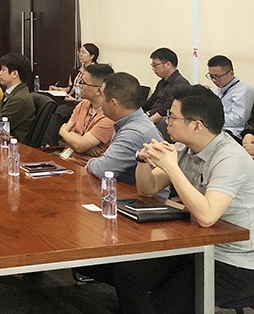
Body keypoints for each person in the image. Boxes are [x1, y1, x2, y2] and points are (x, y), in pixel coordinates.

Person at [92, 86, 254, 313]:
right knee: (128, 273)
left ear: (196, 126)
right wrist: (142, 160)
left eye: (173, 117)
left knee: (164, 302)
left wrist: (171, 166)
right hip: (196, 245)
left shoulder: (230, 158)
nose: (166, 122)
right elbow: (148, 190)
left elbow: (207, 216)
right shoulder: (184, 148)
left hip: (234, 261)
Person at [85, 72, 168, 196]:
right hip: (127, 192)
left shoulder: (134, 132)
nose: (100, 102)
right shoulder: (132, 120)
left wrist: (90, 162)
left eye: (102, 96)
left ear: (113, 103)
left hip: (146, 201)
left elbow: (103, 169)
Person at [57, 63, 115, 166]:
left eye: (83, 82)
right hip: (64, 158)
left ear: (99, 90)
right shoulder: (83, 104)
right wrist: (82, 144)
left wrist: (63, 131)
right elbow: (71, 133)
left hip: (85, 167)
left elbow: (79, 146)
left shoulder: (109, 116)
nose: (79, 85)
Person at [0, 53, 35, 144]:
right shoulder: (11, 93)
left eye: (3, 70)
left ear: (14, 74)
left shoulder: (19, 99)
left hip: (12, 145)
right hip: (2, 141)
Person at [206, 55, 254, 142]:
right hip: (217, 129)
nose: (214, 80)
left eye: (217, 76)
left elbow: (238, 120)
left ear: (231, 73)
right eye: (211, 76)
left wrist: (211, 119)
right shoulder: (219, 90)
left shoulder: (244, 90)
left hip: (233, 133)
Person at [141, 47, 189, 124]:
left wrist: (148, 122)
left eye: (155, 65)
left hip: (164, 120)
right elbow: (150, 102)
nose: (153, 69)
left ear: (168, 64)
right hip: (153, 117)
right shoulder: (161, 82)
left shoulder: (180, 83)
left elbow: (167, 109)